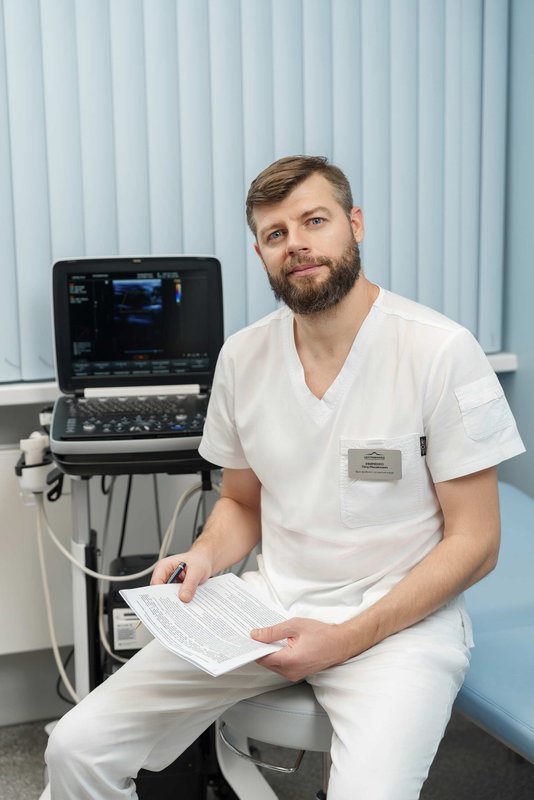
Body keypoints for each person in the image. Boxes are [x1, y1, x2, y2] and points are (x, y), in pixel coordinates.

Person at [46, 155, 525, 799]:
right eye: (276, 233)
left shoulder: (440, 351)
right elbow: (242, 503)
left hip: (399, 626)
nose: (295, 243)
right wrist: (203, 556)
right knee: (76, 746)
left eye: (314, 221)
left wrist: (346, 638)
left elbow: (478, 542)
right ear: (261, 253)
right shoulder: (244, 357)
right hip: (267, 608)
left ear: (355, 224)